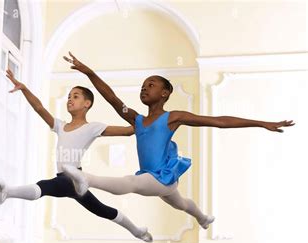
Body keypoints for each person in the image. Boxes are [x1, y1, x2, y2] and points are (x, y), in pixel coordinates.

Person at [62, 52, 295, 229]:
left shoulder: (172, 118)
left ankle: (86, 178)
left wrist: (261, 123)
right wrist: (89, 73)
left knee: (130, 182)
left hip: (158, 179)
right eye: (143, 86)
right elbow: (111, 97)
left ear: (164, 93)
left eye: (151, 85)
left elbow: (217, 121)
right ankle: (203, 218)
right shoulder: (137, 119)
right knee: (181, 204)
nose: (144, 88)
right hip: (158, 180)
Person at [0, 68, 153, 242]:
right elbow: (39, 108)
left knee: (46, 186)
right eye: (68, 97)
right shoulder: (60, 126)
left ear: (87, 104)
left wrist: (151, 122)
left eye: (75, 96)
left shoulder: (92, 127)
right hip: (65, 179)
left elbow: (128, 131)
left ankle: (9, 191)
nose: (70, 100)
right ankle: (137, 231)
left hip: (71, 178)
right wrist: (23, 88)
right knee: (102, 209)